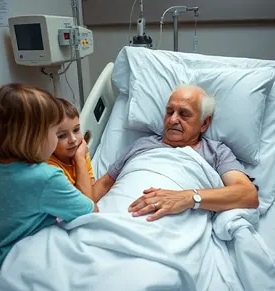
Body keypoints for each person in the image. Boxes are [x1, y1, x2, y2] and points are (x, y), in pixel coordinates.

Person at [94, 85, 259, 221]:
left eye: (184, 114)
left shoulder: (216, 152)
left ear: (204, 123)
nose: (173, 120)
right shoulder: (142, 144)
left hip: (168, 227)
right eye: (169, 112)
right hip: (112, 216)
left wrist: (187, 198)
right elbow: (104, 184)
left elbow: (248, 194)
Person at [0, 84, 98, 280]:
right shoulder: (45, 177)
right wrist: (80, 159)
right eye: (57, 133)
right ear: (34, 137)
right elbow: (91, 212)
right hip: (11, 266)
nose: (71, 140)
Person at [47, 98, 95, 200]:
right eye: (62, 136)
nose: (73, 140)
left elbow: (91, 187)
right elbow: (86, 201)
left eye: (76, 130)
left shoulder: (80, 151)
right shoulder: (50, 168)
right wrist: (79, 159)